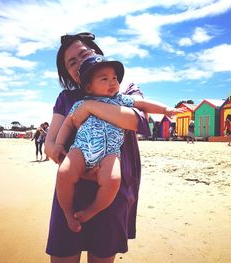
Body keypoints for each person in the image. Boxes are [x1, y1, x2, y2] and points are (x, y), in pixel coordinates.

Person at [44, 32, 177, 262]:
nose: (80, 63)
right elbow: (51, 141)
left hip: (111, 189)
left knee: (102, 255)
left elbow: (137, 120)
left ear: (97, 54)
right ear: (66, 72)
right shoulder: (66, 97)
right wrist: (53, 150)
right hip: (72, 187)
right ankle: (69, 213)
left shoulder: (125, 89)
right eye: (72, 62)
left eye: (84, 55)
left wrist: (89, 107)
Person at [53, 54, 183, 232]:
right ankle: (68, 213)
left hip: (110, 152)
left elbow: (143, 104)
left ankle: (92, 211)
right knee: (64, 173)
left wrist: (166, 110)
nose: (112, 82)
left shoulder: (121, 100)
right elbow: (68, 123)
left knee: (113, 180)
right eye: (104, 79)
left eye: (114, 77)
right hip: (81, 148)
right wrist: (59, 145)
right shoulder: (80, 103)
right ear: (89, 87)